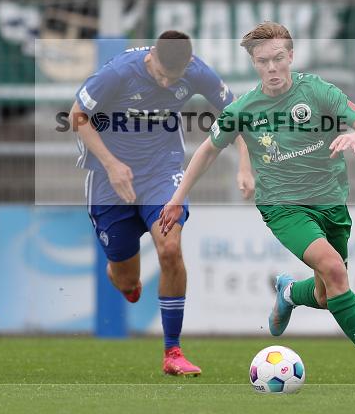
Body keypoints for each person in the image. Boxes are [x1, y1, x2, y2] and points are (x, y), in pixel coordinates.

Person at [157, 22, 355, 386]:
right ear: (254, 63)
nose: (271, 68)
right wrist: (176, 199)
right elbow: (208, 150)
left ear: (291, 56)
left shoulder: (317, 92)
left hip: (331, 202)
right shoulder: (245, 108)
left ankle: (288, 293)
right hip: (283, 207)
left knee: (325, 292)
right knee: (335, 270)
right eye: (262, 61)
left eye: (278, 58)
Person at [69, 31, 245, 376]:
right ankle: (127, 281)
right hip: (109, 178)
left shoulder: (197, 71)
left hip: (161, 172)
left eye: (173, 78)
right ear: (150, 57)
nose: (166, 83)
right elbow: (77, 116)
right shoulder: (118, 73)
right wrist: (112, 164)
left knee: (169, 248)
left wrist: (245, 163)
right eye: (161, 74)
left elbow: (235, 113)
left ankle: (172, 352)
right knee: (126, 280)